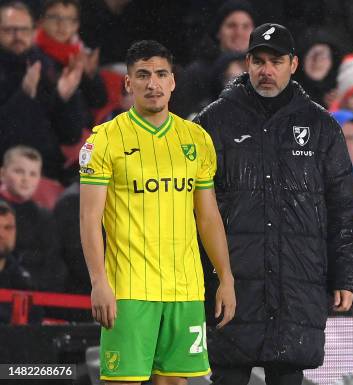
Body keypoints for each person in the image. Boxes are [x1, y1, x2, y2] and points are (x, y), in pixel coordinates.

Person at [194, 23, 353, 385]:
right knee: (228, 375)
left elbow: (343, 207)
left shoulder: (321, 126)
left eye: (276, 61)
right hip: (232, 284)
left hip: (297, 285)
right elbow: (194, 208)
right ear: (247, 62)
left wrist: (345, 276)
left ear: (294, 64)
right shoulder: (213, 123)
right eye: (258, 61)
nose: (266, 70)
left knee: (288, 374)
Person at [79, 40, 235, 384]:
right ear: (128, 83)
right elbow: (89, 219)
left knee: (175, 381)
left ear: (173, 81)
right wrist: (98, 282)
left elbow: (208, 217)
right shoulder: (104, 140)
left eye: (161, 74)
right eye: (143, 75)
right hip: (129, 289)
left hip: (186, 288)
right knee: (121, 381)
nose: (153, 83)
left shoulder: (196, 139)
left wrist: (225, 276)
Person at [0, 1, 84, 182]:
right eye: (9, 30)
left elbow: (70, 136)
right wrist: (24, 95)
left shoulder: (45, 64)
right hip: (9, 172)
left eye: (24, 30)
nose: (18, 36)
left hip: (49, 168)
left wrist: (65, 97)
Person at [0, 145, 65, 292]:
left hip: (34, 293)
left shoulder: (44, 216)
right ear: (2, 174)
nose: (26, 179)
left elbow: (53, 263)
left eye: (33, 174)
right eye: (19, 171)